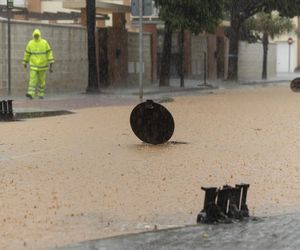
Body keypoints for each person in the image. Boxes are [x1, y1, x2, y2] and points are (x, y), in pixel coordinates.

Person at [23, 29, 54, 99]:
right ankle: (31, 93)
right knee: (32, 80)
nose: (36, 36)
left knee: (41, 81)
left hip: (42, 66)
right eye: (35, 35)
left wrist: (51, 62)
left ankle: (41, 94)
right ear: (33, 35)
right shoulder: (30, 43)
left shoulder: (44, 42)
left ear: (39, 35)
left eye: (37, 35)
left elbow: (49, 52)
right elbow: (27, 53)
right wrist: (25, 62)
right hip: (34, 65)